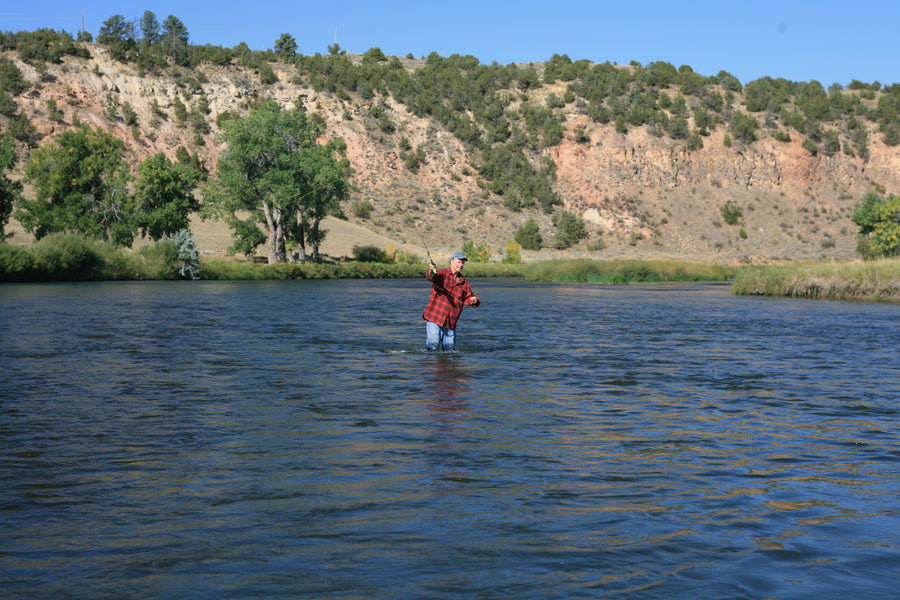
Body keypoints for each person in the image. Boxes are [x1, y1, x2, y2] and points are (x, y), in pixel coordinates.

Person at [422, 251, 480, 351]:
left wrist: (474, 300)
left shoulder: (464, 283)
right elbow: (431, 276)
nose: (461, 265)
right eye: (459, 262)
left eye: (462, 263)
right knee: (433, 346)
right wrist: (431, 270)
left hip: (450, 323)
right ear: (451, 261)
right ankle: (431, 366)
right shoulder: (441, 273)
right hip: (435, 318)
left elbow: (468, 299)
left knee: (449, 351)